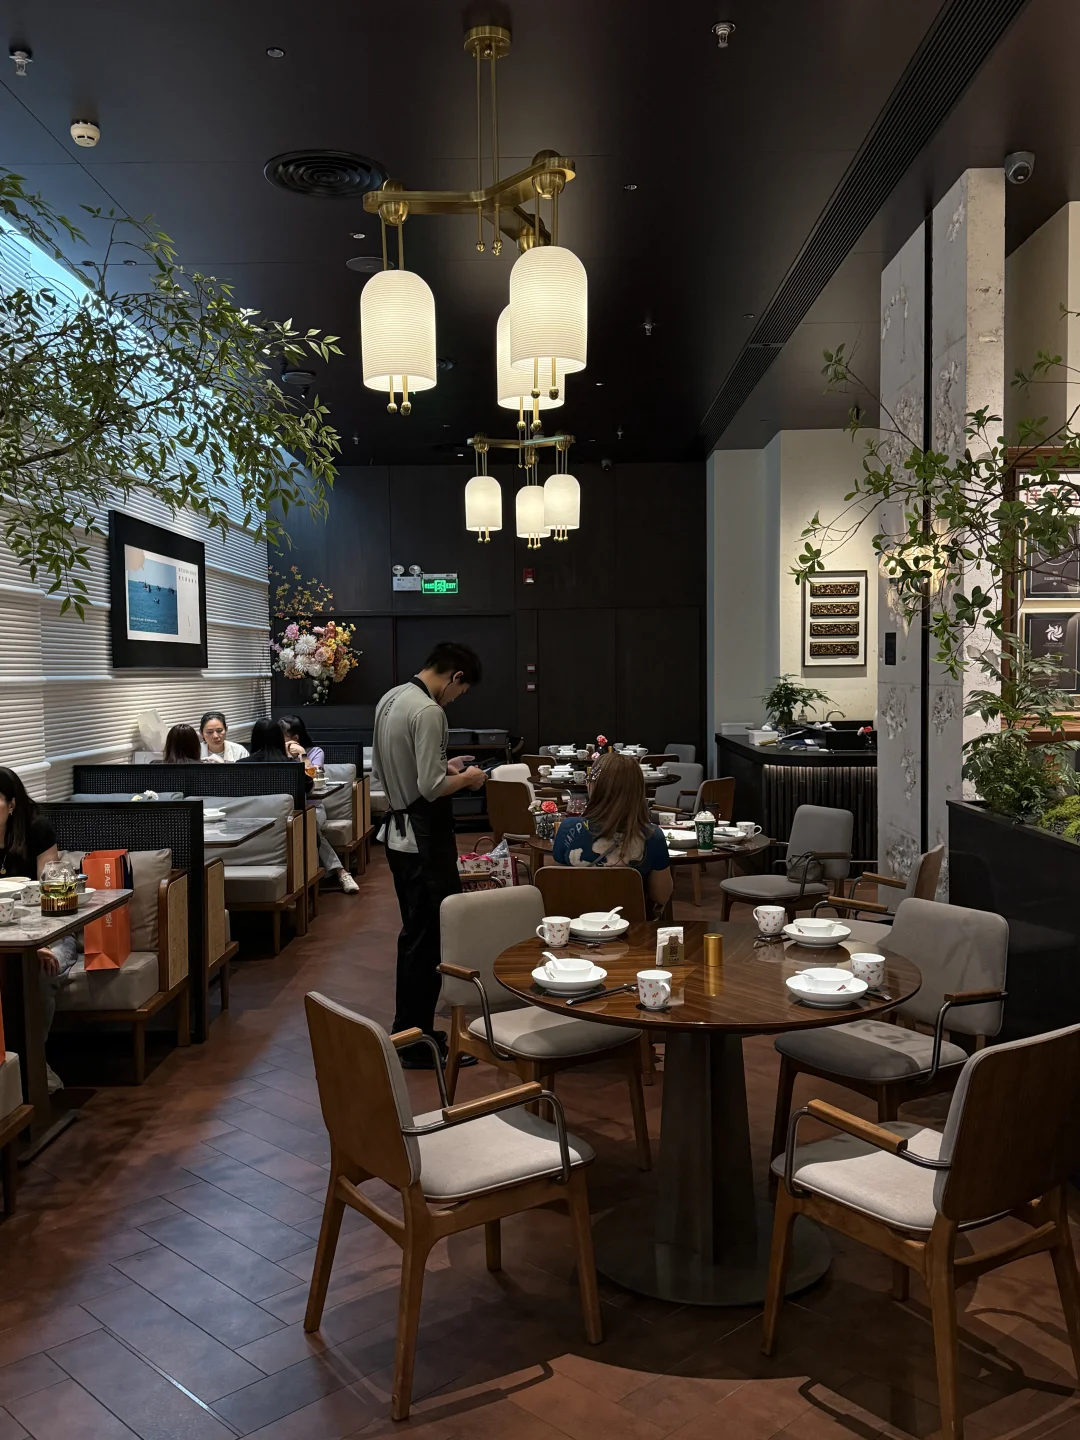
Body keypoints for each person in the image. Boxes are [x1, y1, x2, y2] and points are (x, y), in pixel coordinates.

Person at [373, 642, 487, 1068]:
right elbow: (431, 787)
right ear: (455, 676)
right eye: (461, 691)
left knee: (415, 935)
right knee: (428, 940)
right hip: (422, 840)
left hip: (396, 834)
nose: (456, 699)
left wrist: (445, 767)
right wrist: (469, 777)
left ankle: (410, 1031)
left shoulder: (391, 698)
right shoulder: (429, 711)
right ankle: (414, 1040)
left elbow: (388, 770)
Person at [0, 767, 75, 1093]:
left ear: (12, 804)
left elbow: (52, 891)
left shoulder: (37, 830)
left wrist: (36, 942)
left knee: (41, 969)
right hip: (4, 938)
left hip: (50, 932)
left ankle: (33, 1060)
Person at [240, 721, 359, 893]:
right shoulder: (291, 766)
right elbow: (310, 787)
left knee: (310, 824)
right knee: (309, 824)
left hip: (253, 824)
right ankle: (340, 872)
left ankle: (334, 872)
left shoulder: (241, 765)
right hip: (291, 823)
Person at [552, 752, 673, 913]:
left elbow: (559, 886)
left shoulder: (568, 829)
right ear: (637, 790)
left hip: (577, 923)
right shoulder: (652, 835)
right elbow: (661, 896)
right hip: (633, 924)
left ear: (594, 787)